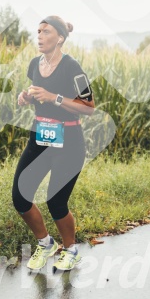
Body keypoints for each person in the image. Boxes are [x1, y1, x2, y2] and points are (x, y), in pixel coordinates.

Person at [13, 15, 95, 272]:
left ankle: (70, 250)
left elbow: (89, 107)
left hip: (69, 142)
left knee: (56, 201)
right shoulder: (35, 64)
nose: (39, 36)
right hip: (40, 136)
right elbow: (36, 87)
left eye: (45, 31)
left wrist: (54, 98)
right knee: (20, 196)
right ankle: (45, 243)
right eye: (38, 31)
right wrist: (26, 96)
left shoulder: (73, 67)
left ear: (59, 38)